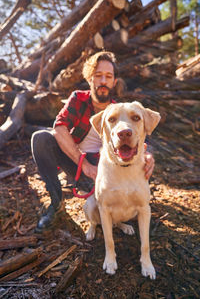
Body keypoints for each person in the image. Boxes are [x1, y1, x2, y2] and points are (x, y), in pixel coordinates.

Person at [31, 51, 154, 233]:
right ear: (90, 79)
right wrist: (85, 165)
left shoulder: (119, 110)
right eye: (98, 75)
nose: (103, 81)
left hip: (108, 173)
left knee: (130, 212)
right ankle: (56, 205)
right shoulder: (78, 99)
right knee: (40, 139)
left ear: (113, 82)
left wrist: (149, 154)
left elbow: (141, 136)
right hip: (78, 165)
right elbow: (59, 127)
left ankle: (123, 205)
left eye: (108, 76)